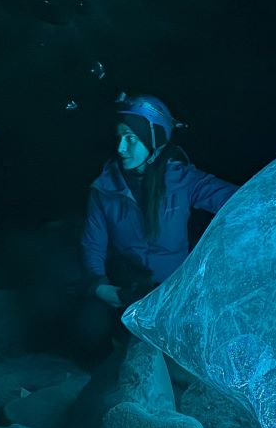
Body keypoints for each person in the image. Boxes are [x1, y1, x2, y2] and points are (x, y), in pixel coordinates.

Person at [78, 94, 238, 350]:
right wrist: (99, 285)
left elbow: (233, 200)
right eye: (119, 138)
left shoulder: (182, 180)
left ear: (154, 140)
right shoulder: (104, 189)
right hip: (127, 291)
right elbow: (92, 244)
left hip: (174, 292)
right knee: (90, 334)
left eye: (131, 138)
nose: (121, 148)